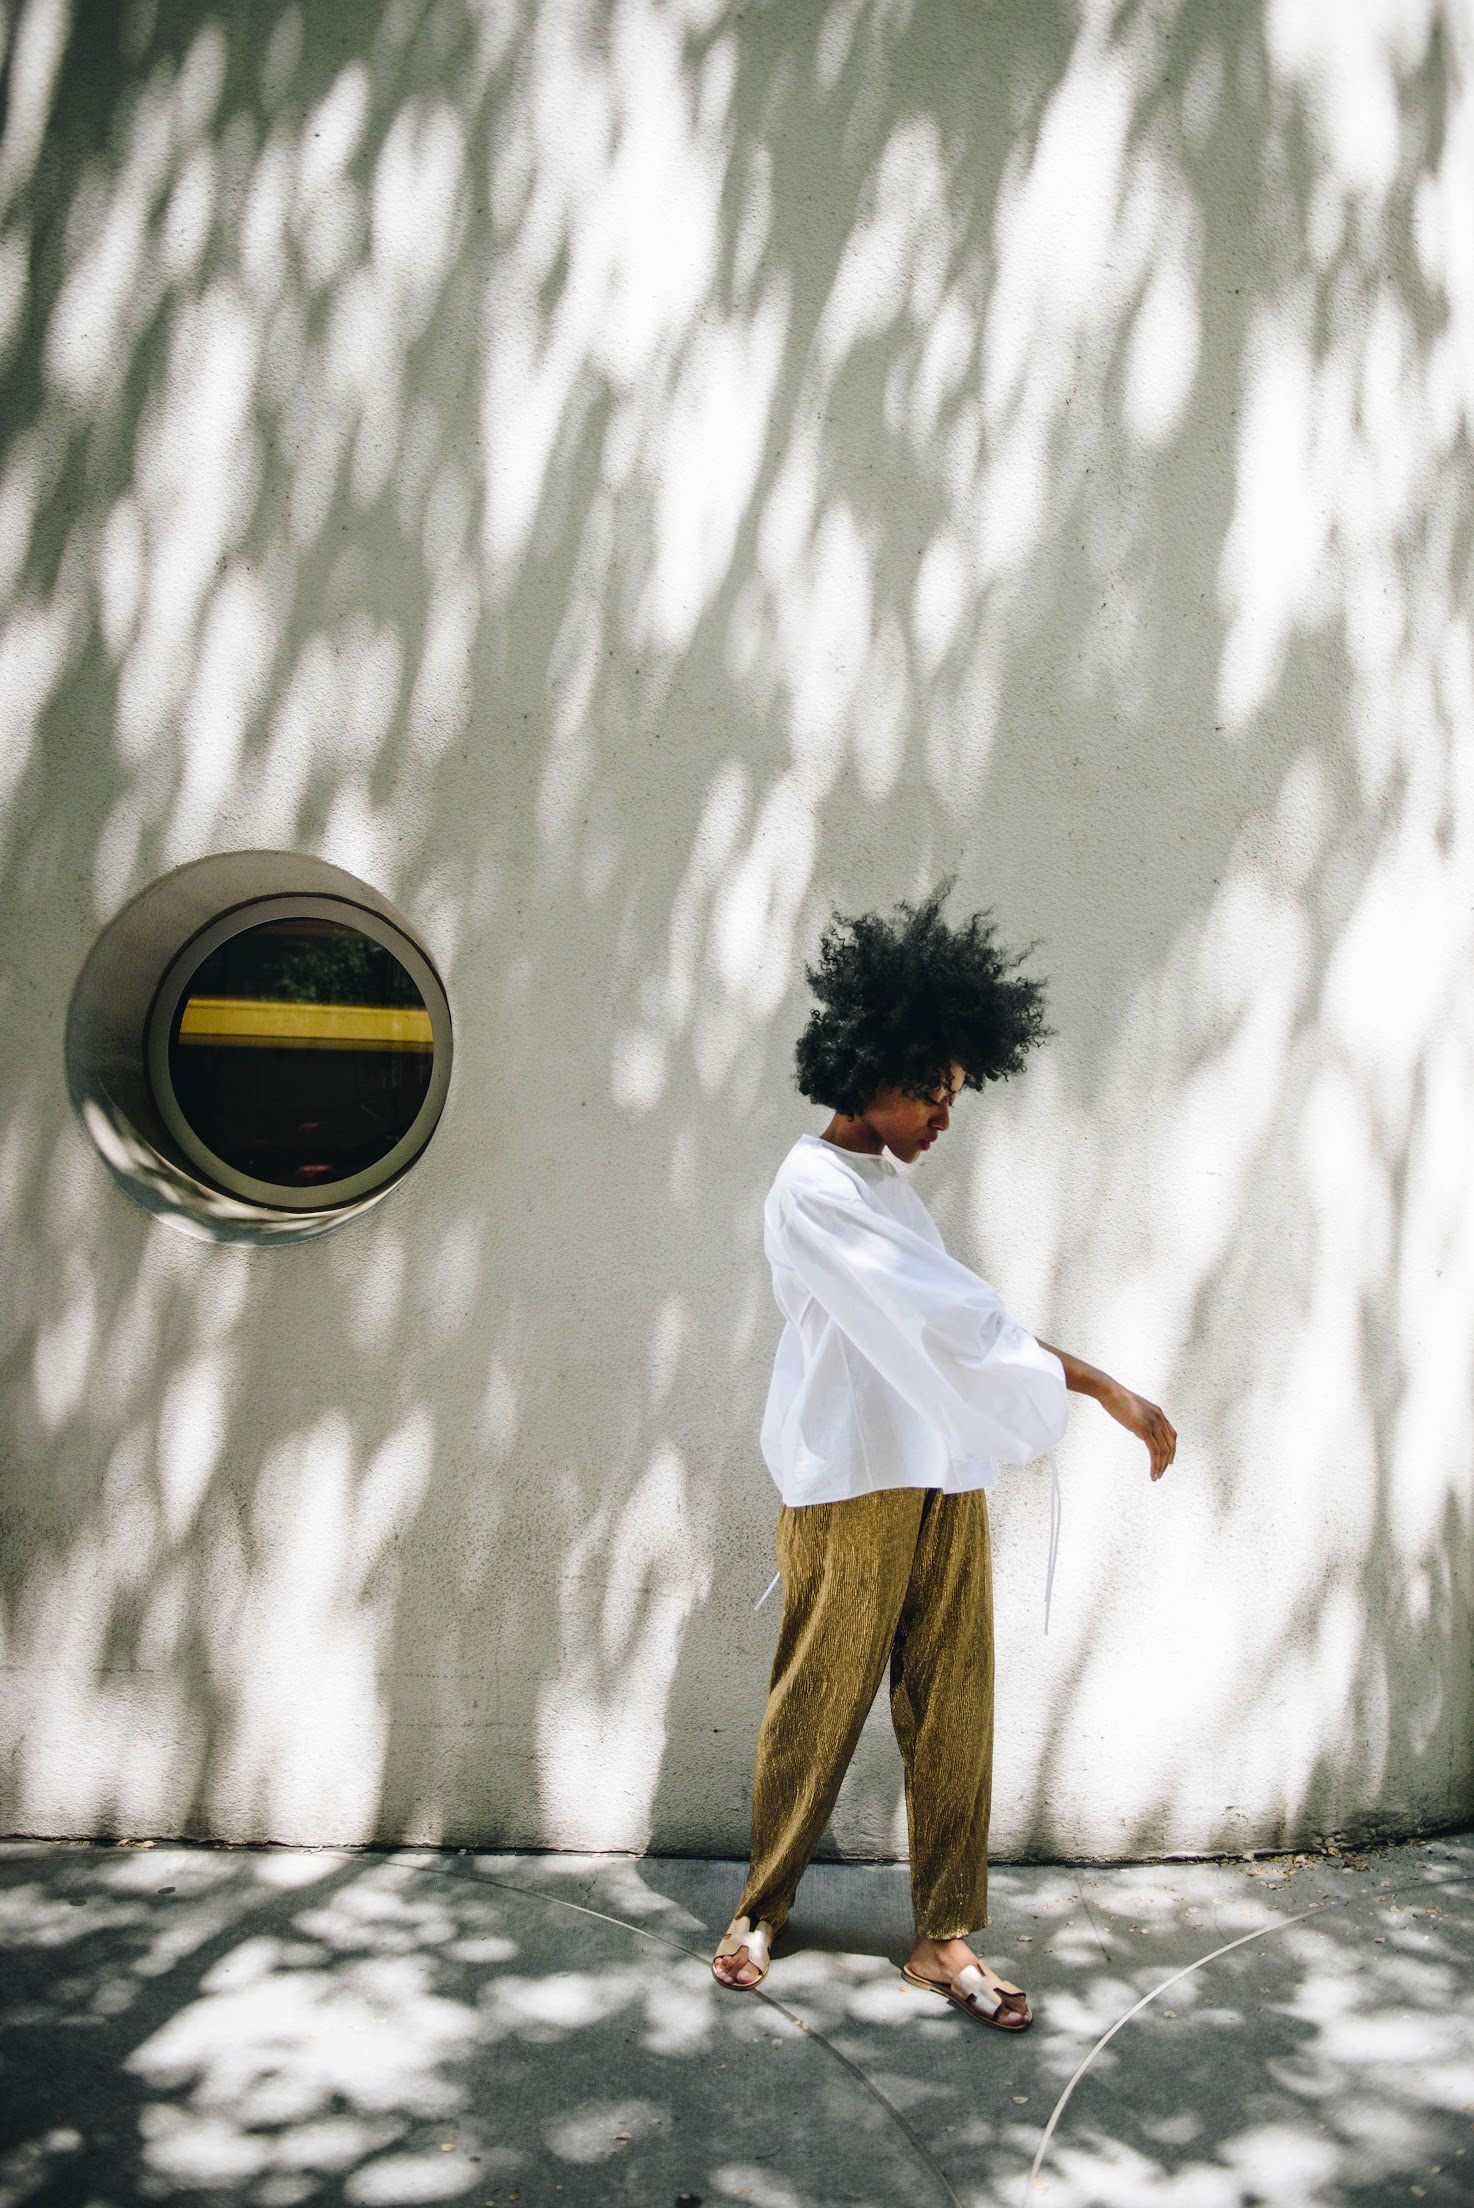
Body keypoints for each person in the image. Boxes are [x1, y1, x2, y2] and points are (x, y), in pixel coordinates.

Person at [711, 888, 1176, 2029]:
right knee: (819, 1699)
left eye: (953, 1096)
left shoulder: (885, 1190)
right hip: (849, 1477)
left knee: (954, 1702)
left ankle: (942, 1937)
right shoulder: (812, 1187)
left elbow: (958, 1327)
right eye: (931, 1089)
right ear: (867, 1067)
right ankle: (762, 1907)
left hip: (937, 1476)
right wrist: (1105, 1386)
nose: (941, 1116)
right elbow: (955, 1325)